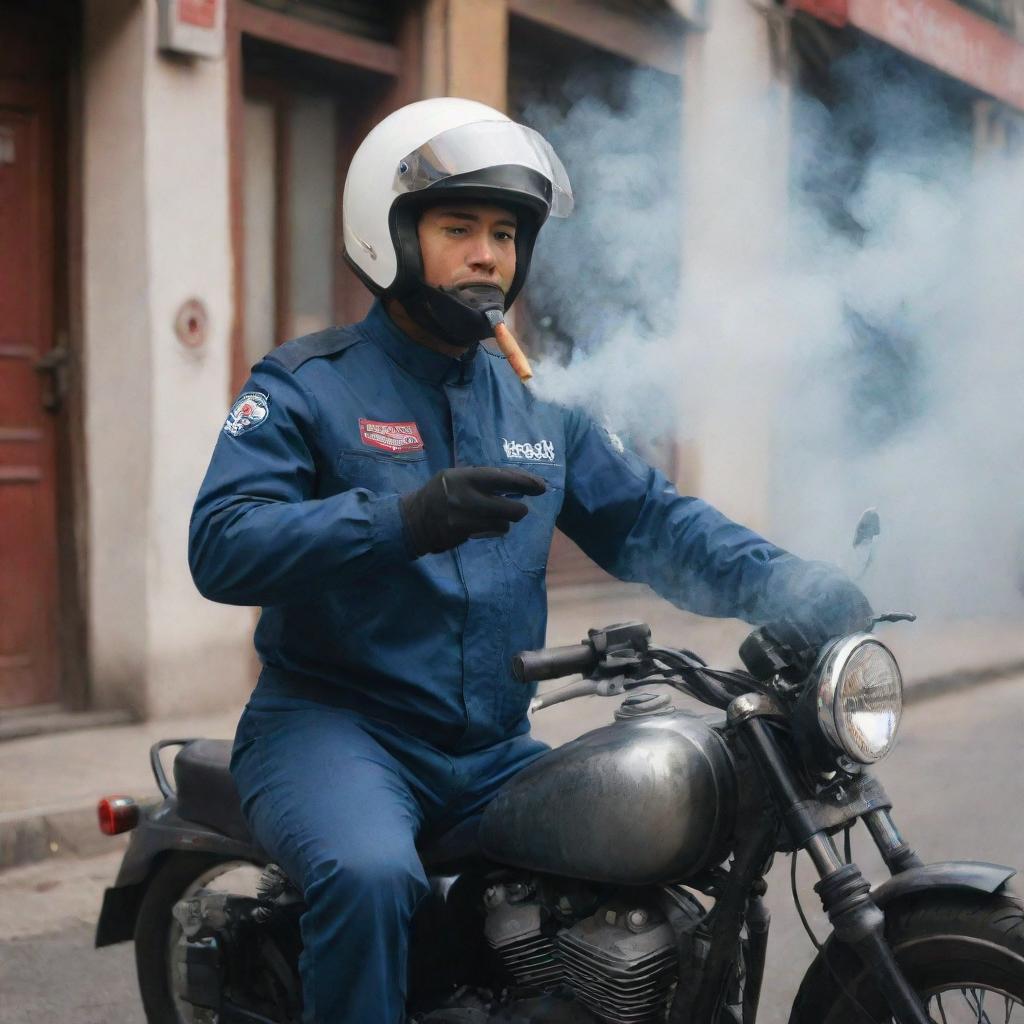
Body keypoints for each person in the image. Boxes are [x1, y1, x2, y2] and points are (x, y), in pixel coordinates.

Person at [188, 97, 871, 1024]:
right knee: (371, 876)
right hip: (336, 731)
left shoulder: (537, 409)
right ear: (387, 238)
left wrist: (789, 583)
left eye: (505, 234)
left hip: (492, 749)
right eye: (458, 227)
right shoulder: (307, 385)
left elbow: (653, 522)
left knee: (638, 841)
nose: (487, 256)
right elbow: (222, 545)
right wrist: (404, 520)